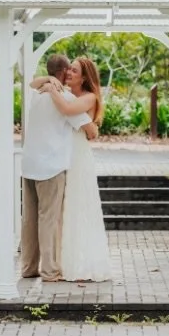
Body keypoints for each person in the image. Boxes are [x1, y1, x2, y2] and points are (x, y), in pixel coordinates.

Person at [30, 56, 113, 283]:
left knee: (78, 207)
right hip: (61, 157)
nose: (68, 73)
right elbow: (31, 84)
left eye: (74, 71)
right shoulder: (65, 91)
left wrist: (51, 89)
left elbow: (68, 110)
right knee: (62, 213)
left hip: (78, 157)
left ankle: (80, 262)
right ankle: (61, 261)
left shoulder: (88, 97)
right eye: (67, 69)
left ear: (84, 77)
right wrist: (47, 80)